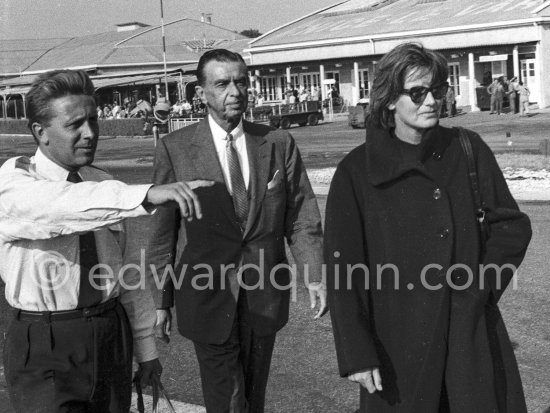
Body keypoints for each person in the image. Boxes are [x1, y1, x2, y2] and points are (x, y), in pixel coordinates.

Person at [325, 43, 532, 413]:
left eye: (438, 90)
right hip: (396, 343)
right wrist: (357, 353)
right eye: (417, 92)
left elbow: (511, 227)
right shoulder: (356, 173)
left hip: (468, 336)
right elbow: (343, 271)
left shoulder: (467, 148)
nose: (431, 101)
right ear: (389, 100)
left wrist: (479, 288)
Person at [0, 69, 211, 412]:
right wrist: (147, 194)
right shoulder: (14, 182)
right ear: (41, 133)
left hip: (109, 333)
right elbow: (60, 206)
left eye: (94, 120)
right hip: (47, 342)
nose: (90, 133)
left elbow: (126, 274)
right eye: (75, 125)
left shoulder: (101, 182)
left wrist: (146, 352)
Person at [149, 49, 327, 413]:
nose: (235, 91)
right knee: (228, 399)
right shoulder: (175, 149)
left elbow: (301, 215)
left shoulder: (277, 142)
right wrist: (159, 300)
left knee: (252, 394)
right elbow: (161, 233)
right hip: (205, 295)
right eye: (223, 83)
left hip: (264, 295)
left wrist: (314, 275)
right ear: (201, 93)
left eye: (241, 81)